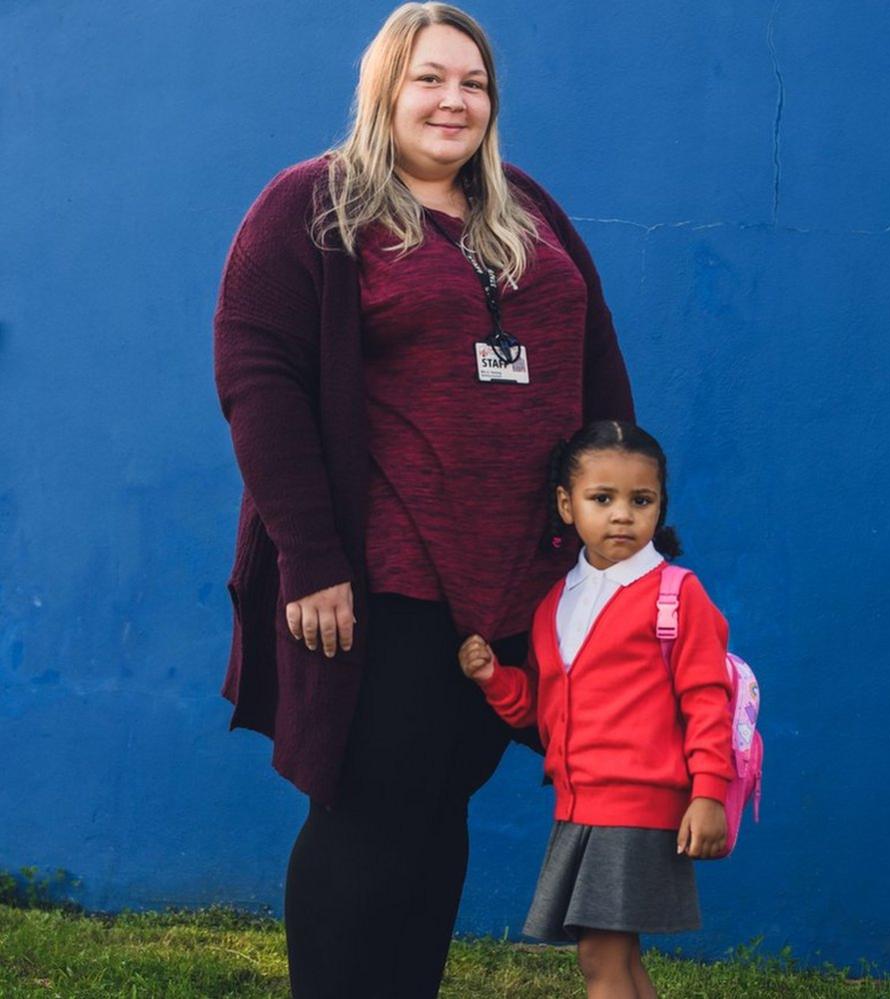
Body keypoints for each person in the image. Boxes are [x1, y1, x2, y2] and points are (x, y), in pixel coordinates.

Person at [213, 3, 633, 995]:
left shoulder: (524, 206)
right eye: (430, 78)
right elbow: (257, 376)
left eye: (473, 83)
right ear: (385, 90)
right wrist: (312, 559)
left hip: (518, 577)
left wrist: (624, 545)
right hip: (385, 575)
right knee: (369, 812)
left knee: (442, 805)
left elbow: (598, 363)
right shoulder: (317, 205)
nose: (454, 100)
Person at [458, 420, 733, 999]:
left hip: (636, 805)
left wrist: (708, 793)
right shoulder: (555, 602)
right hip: (579, 806)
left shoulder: (678, 595)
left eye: (642, 500)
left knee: (598, 959)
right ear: (566, 504)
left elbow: (708, 699)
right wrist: (493, 680)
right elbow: (543, 709)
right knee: (620, 959)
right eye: (601, 498)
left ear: (661, 506)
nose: (622, 515)